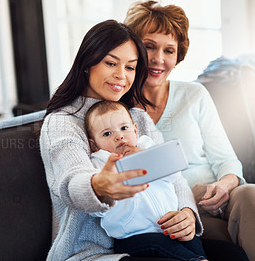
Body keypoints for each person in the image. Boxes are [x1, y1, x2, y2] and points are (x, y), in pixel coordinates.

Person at [39, 19, 201, 261]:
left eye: (130, 67)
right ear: (87, 63)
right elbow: (72, 181)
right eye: (111, 63)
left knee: (235, 254)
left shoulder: (137, 117)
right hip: (94, 253)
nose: (120, 76)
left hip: (157, 235)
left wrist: (187, 212)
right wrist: (99, 186)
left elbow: (172, 174)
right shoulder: (63, 122)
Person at [124, 0, 255, 260]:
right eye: (149, 46)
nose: (159, 59)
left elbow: (227, 161)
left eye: (169, 50)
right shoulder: (117, 112)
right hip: (172, 214)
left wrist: (223, 185)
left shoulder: (194, 95)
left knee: (250, 194)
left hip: (220, 201)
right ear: (133, 48)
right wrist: (187, 200)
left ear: (178, 55)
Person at [85, 100, 207, 261]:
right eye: (107, 133)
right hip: (132, 237)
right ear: (94, 145)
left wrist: (144, 156)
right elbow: (94, 205)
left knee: (192, 241)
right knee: (159, 245)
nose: (119, 136)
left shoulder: (147, 147)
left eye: (124, 128)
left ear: (135, 130)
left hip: (169, 226)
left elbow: (173, 177)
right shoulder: (99, 164)